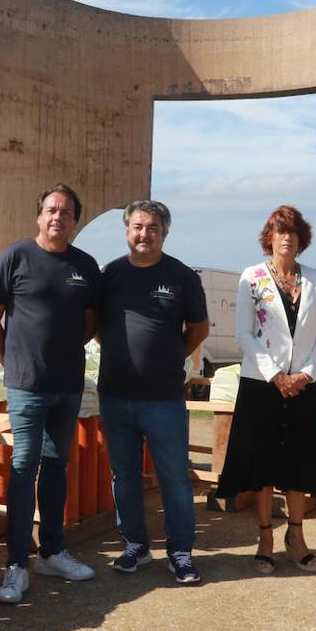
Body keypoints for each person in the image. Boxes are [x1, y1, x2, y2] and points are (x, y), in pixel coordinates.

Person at [0, 183, 101, 605]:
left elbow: (90, 324)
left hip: (67, 386)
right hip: (27, 387)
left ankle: (51, 552)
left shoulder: (86, 265)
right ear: (39, 216)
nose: (57, 218)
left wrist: (62, 355)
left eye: (66, 213)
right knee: (22, 467)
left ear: (75, 221)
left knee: (55, 468)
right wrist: (13, 367)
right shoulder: (15, 257)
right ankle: (16, 565)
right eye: (51, 210)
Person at [97, 199, 210, 584]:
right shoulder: (109, 274)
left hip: (163, 397)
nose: (145, 234)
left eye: (153, 228)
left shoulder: (181, 276)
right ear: (127, 230)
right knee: (124, 475)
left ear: (164, 232)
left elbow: (199, 329)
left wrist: (170, 355)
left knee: (174, 477)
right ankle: (136, 547)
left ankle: (180, 552)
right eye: (138, 227)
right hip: (115, 394)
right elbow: (96, 324)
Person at [216, 205, 316, 573]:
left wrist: (305, 373)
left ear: (302, 239)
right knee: (262, 466)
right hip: (262, 385)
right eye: (280, 231)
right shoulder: (251, 277)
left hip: (303, 385)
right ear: (269, 237)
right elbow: (243, 333)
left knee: (298, 465)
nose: (286, 237)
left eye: (293, 232)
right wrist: (275, 374)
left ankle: (295, 537)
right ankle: (266, 536)